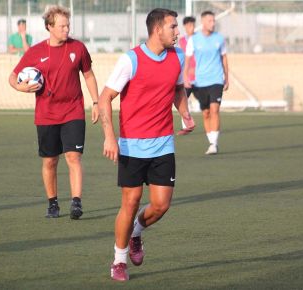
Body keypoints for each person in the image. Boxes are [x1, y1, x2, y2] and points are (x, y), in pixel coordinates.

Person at [99, 8, 195, 282]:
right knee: (130, 203)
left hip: (163, 144)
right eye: (173, 27)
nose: (178, 31)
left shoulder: (177, 56)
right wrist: (109, 136)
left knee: (161, 205)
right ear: (157, 30)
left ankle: (136, 233)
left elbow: (178, 89)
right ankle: (119, 261)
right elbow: (106, 98)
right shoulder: (131, 60)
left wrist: (185, 114)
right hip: (131, 145)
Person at [8, 5, 99, 219]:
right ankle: (52, 203)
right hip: (46, 114)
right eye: (62, 26)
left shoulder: (78, 48)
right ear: (50, 27)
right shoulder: (36, 51)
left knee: (73, 156)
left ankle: (76, 202)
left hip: (73, 111)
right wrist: (20, 87)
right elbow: (12, 77)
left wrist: (95, 102)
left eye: (68, 25)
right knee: (50, 160)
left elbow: (88, 75)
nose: (66, 29)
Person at [184, 10, 229, 155]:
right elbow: (188, 60)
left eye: (214, 21)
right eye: (210, 21)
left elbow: (224, 58)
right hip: (200, 82)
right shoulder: (194, 40)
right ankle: (211, 141)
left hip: (216, 80)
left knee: (215, 110)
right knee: (206, 113)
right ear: (203, 22)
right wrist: (185, 77)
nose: (213, 23)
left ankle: (214, 144)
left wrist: (226, 77)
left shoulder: (220, 39)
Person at [177, 16, 196, 136]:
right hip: (187, 77)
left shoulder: (199, 39)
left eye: (193, 25)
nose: (191, 28)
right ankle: (186, 126)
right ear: (185, 27)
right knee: (183, 100)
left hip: (200, 76)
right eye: (189, 25)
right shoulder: (182, 41)